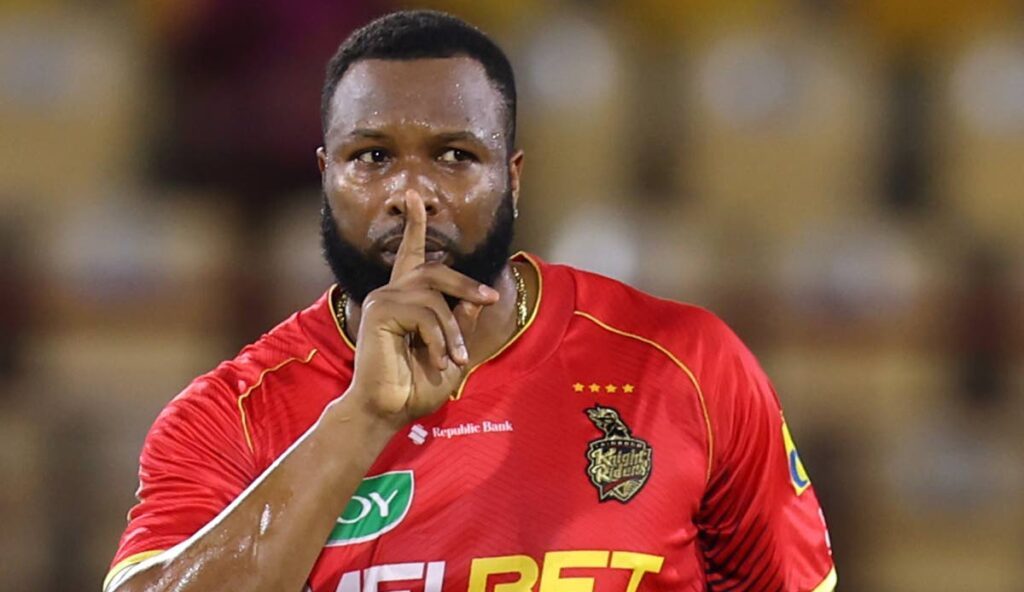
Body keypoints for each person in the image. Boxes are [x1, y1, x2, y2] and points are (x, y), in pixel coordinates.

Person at [105, 10, 836, 592]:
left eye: (456, 156)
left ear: (512, 179)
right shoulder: (228, 417)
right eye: (372, 158)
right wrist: (362, 419)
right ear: (325, 177)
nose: (413, 194)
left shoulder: (687, 366)